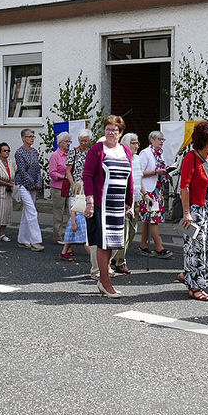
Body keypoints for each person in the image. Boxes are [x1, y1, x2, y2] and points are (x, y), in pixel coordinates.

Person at [83, 115, 134, 298]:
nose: (110, 132)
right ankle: (105, 282)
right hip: (101, 204)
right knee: (103, 245)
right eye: (108, 129)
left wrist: (131, 201)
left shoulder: (126, 151)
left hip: (118, 205)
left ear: (121, 133)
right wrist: (89, 201)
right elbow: (87, 176)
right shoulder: (97, 149)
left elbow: (130, 178)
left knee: (113, 244)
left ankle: (103, 280)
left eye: (114, 129)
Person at [178, 121, 208, 301]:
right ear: (204, 139)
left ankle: (188, 275)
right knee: (197, 249)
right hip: (195, 209)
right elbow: (185, 187)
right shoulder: (191, 157)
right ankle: (195, 287)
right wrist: (187, 212)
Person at [110, 132, 142, 275]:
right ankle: (120, 262)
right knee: (124, 231)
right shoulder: (121, 158)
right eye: (134, 143)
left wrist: (145, 194)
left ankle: (114, 257)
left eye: (137, 143)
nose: (137, 145)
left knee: (133, 231)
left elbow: (139, 179)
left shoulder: (138, 159)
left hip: (136, 199)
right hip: (123, 200)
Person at [138, 130, 172, 258]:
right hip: (148, 190)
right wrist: (156, 172)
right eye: (159, 139)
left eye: (163, 139)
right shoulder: (145, 153)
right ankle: (159, 247)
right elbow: (139, 173)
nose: (162, 142)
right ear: (151, 140)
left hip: (157, 189)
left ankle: (143, 245)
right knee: (154, 219)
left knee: (148, 219)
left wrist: (166, 170)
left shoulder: (159, 154)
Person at [15, 128, 44, 251]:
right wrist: (32, 184)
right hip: (22, 184)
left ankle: (23, 239)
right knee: (32, 211)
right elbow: (21, 171)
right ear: (23, 138)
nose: (32, 138)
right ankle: (35, 241)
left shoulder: (35, 152)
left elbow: (38, 169)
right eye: (29, 136)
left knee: (27, 212)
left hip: (33, 185)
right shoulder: (19, 152)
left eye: (33, 136)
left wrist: (39, 182)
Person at [49, 132, 72, 245]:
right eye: (66, 141)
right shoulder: (55, 155)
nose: (68, 144)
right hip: (59, 187)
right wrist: (64, 177)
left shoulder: (70, 154)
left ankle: (68, 236)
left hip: (69, 187)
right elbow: (52, 173)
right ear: (60, 143)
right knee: (59, 213)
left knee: (70, 212)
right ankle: (57, 237)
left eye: (69, 141)